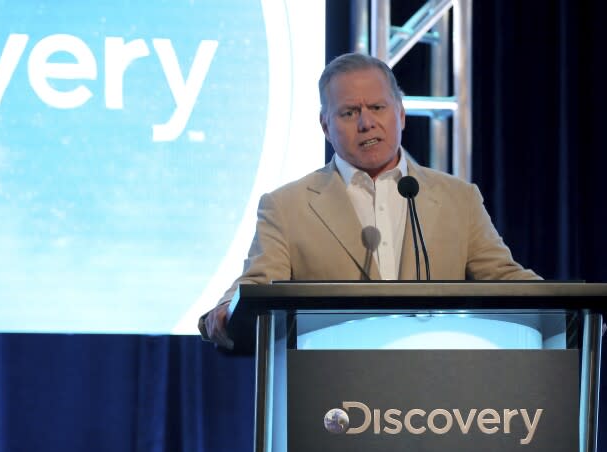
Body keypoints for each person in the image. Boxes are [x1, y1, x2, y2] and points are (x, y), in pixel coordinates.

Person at [200, 53, 539, 349]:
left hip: (438, 391)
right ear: (325, 125)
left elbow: (504, 278)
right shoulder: (287, 206)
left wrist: (580, 311)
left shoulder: (458, 199)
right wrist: (227, 309)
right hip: (332, 394)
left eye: (378, 107)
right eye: (349, 113)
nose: (366, 123)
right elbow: (257, 285)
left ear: (401, 114)